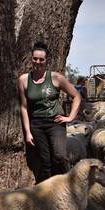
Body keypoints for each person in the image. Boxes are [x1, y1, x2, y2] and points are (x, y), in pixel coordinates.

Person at [17, 41, 81, 183]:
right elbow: (24, 107)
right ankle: (49, 192)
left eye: (41, 59)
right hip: (37, 125)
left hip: (55, 122)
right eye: (35, 58)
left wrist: (70, 117)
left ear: (46, 61)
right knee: (45, 162)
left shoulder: (55, 78)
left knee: (60, 156)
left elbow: (76, 96)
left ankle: (68, 184)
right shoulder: (23, 80)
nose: (38, 62)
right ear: (31, 58)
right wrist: (27, 132)